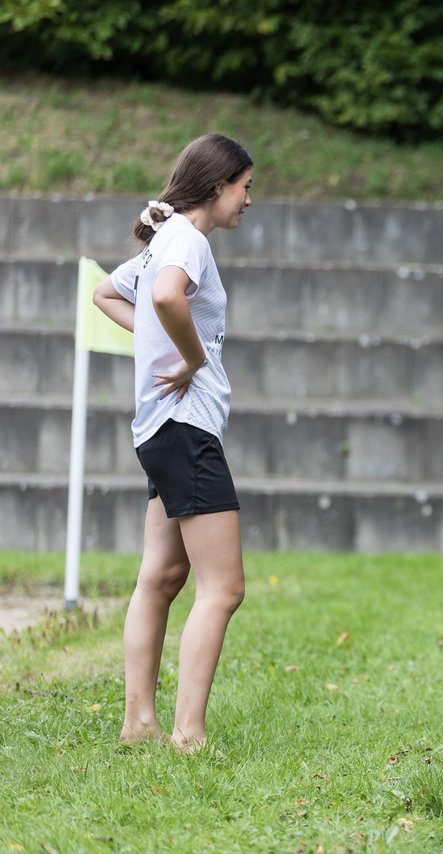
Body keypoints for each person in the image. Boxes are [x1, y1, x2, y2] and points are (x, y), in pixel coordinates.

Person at [91, 133, 253, 752]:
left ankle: (139, 724)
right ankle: (188, 735)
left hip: (161, 431)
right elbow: (163, 297)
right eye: (244, 188)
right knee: (224, 587)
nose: (247, 200)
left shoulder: (165, 239)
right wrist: (188, 359)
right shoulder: (187, 239)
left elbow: (106, 294)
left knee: (159, 576)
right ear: (217, 186)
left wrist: (159, 343)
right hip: (185, 429)